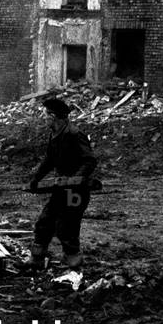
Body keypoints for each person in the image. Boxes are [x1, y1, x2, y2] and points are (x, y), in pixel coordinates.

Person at [23, 98, 98, 270]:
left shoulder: (73, 134)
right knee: (45, 220)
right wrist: (36, 179)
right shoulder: (55, 135)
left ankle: (73, 261)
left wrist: (76, 179)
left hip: (75, 192)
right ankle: (37, 258)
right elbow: (49, 160)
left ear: (53, 116)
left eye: (45, 115)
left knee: (67, 224)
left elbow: (90, 161)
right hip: (61, 189)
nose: (43, 119)